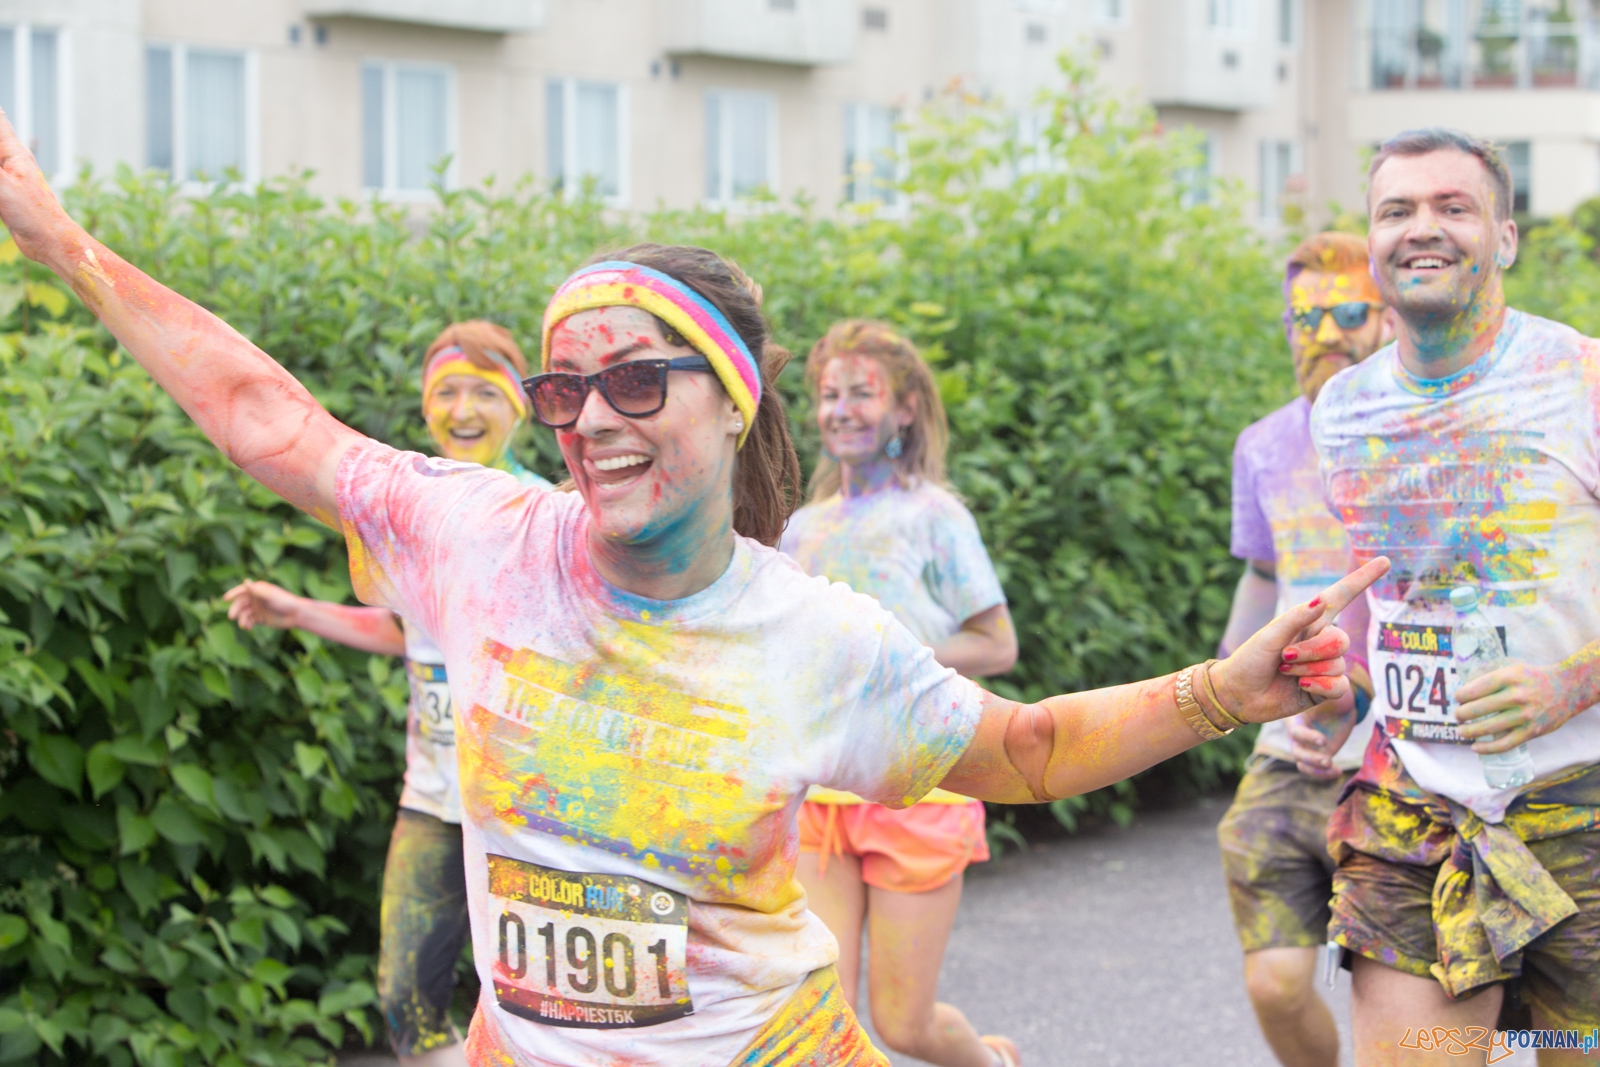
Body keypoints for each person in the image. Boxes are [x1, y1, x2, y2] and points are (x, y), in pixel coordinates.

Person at [0, 108, 1383, 1067]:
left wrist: (1225, 685)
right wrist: (65, 241)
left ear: (731, 405)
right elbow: (268, 420)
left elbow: (1022, 747)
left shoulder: (814, 635)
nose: (591, 419)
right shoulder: (479, 532)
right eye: (566, 388)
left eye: (636, 381)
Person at [1297, 128, 1600, 1065]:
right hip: (1411, 801)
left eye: (1452, 207)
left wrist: (1571, 684)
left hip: (1580, 799)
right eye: (1398, 210)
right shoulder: (1343, 410)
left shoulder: (1582, 378)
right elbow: (1376, 590)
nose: (1421, 229)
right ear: (1373, 238)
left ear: (1504, 238)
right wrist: (1335, 683)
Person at [222, 322, 552, 1067]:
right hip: (432, 802)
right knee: (406, 999)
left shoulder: (548, 515)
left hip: (531, 813)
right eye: (446, 392)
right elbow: (413, 635)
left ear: (518, 408)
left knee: (542, 1008)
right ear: (427, 408)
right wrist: (297, 609)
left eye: (484, 391)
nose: (463, 409)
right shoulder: (415, 512)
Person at [780, 321, 1019, 1067]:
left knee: (904, 1024)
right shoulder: (799, 528)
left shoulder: (935, 516)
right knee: (825, 1018)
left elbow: (998, 645)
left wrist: (890, 658)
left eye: (861, 392)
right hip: (821, 794)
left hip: (922, 787)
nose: (841, 409)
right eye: (828, 395)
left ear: (906, 408)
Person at [1214, 232, 1390, 1067]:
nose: (1325, 333)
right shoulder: (1263, 444)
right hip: (1288, 746)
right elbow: (1262, 575)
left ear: (1389, 317)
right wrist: (1216, 691)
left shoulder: (1429, 434)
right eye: (1305, 316)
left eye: (1348, 312)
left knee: (1413, 1006)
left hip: (1405, 754)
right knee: (1276, 984)